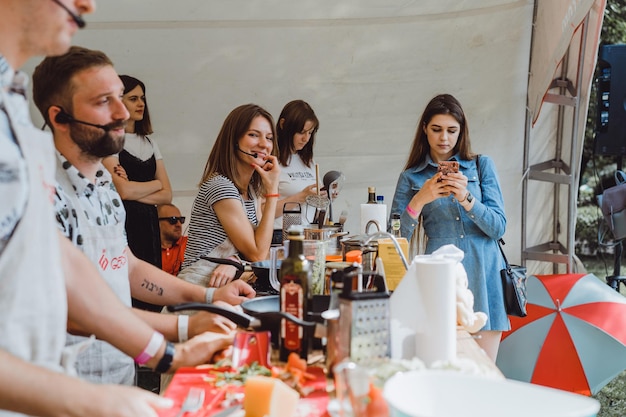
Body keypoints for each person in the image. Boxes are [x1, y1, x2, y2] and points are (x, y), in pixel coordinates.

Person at [0, 1, 208, 416]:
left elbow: (71, 269)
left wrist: (166, 354)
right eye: (104, 101)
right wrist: (89, 400)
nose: (87, 5)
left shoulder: (15, 111)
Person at [32, 46, 255, 392]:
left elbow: (128, 267)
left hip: (119, 374)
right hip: (67, 387)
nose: (123, 112)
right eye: (104, 101)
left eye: (121, 98)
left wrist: (210, 297)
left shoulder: (104, 182)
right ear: (59, 117)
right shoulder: (41, 193)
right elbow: (72, 311)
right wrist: (183, 330)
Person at [389, 93, 508, 361]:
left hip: (485, 273)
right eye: (437, 129)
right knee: (444, 367)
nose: (444, 137)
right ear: (424, 130)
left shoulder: (481, 165)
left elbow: (499, 227)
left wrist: (467, 199)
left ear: (461, 131)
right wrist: (420, 199)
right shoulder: (411, 177)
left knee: (484, 372)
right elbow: (394, 240)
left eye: (452, 130)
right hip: (441, 278)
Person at [179, 104, 280, 289]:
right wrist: (272, 192)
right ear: (234, 140)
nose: (264, 144)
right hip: (197, 288)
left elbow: (262, 256)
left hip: (225, 289)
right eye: (253, 135)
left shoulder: (251, 191)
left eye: (269, 137)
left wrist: (235, 261)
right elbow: (257, 255)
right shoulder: (221, 186)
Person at [103, 75, 169, 273]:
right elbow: (123, 191)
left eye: (142, 98)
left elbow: (168, 195)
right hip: (125, 222)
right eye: (133, 99)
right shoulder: (110, 140)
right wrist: (156, 184)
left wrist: (135, 188)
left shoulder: (150, 143)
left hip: (150, 224)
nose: (141, 104)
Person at [270, 100, 321, 243]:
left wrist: (327, 195)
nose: (306, 138)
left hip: (308, 232)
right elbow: (261, 212)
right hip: (280, 235)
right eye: (301, 132)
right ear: (283, 125)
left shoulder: (308, 161)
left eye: (310, 133)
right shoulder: (272, 161)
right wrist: (300, 197)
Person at [158, 203, 188, 276]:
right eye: (173, 220)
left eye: (181, 220)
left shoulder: (191, 243)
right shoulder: (145, 250)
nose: (179, 224)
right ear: (157, 222)